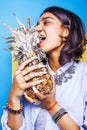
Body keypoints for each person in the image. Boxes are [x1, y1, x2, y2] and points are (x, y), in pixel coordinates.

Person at [1, 6, 87, 130]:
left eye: (46, 22)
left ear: (66, 32)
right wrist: (13, 97)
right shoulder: (28, 73)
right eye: (37, 24)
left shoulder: (84, 74)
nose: (36, 28)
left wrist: (52, 106)